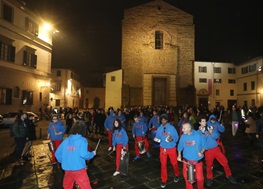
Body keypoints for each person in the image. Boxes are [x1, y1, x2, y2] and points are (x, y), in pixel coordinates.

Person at [198, 117, 237, 187]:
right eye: (203, 121)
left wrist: (211, 132)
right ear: (200, 123)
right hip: (208, 151)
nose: (204, 122)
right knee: (209, 166)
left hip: (216, 149)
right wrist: (203, 133)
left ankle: (229, 175)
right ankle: (209, 178)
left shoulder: (209, 127)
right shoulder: (198, 132)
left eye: (205, 121)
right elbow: (201, 142)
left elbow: (216, 136)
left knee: (225, 162)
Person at [55, 125, 96, 189]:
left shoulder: (66, 140)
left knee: (67, 186)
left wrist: (63, 161)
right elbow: (84, 154)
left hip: (67, 169)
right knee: (86, 186)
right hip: (78, 169)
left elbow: (57, 153)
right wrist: (92, 154)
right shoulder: (82, 140)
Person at [177, 122, 206, 189]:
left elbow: (204, 146)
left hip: (197, 161)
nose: (182, 130)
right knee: (187, 179)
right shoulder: (183, 136)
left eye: (184, 128)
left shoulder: (198, 135)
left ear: (189, 128)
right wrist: (179, 155)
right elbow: (180, 146)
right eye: (182, 128)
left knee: (200, 178)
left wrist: (201, 152)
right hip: (187, 162)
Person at [154, 114, 180, 188]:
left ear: (167, 120)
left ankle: (176, 174)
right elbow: (157, 137)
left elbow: (176, 137)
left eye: (164, 120)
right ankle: (164, 179)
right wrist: (156, 139)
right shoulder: (159, 129)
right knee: (163, 164)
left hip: (171, 148)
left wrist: (172, 139)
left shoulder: (172, 128)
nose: (163, 121)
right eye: (162, 120)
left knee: (174, 163)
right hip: (163, 148)